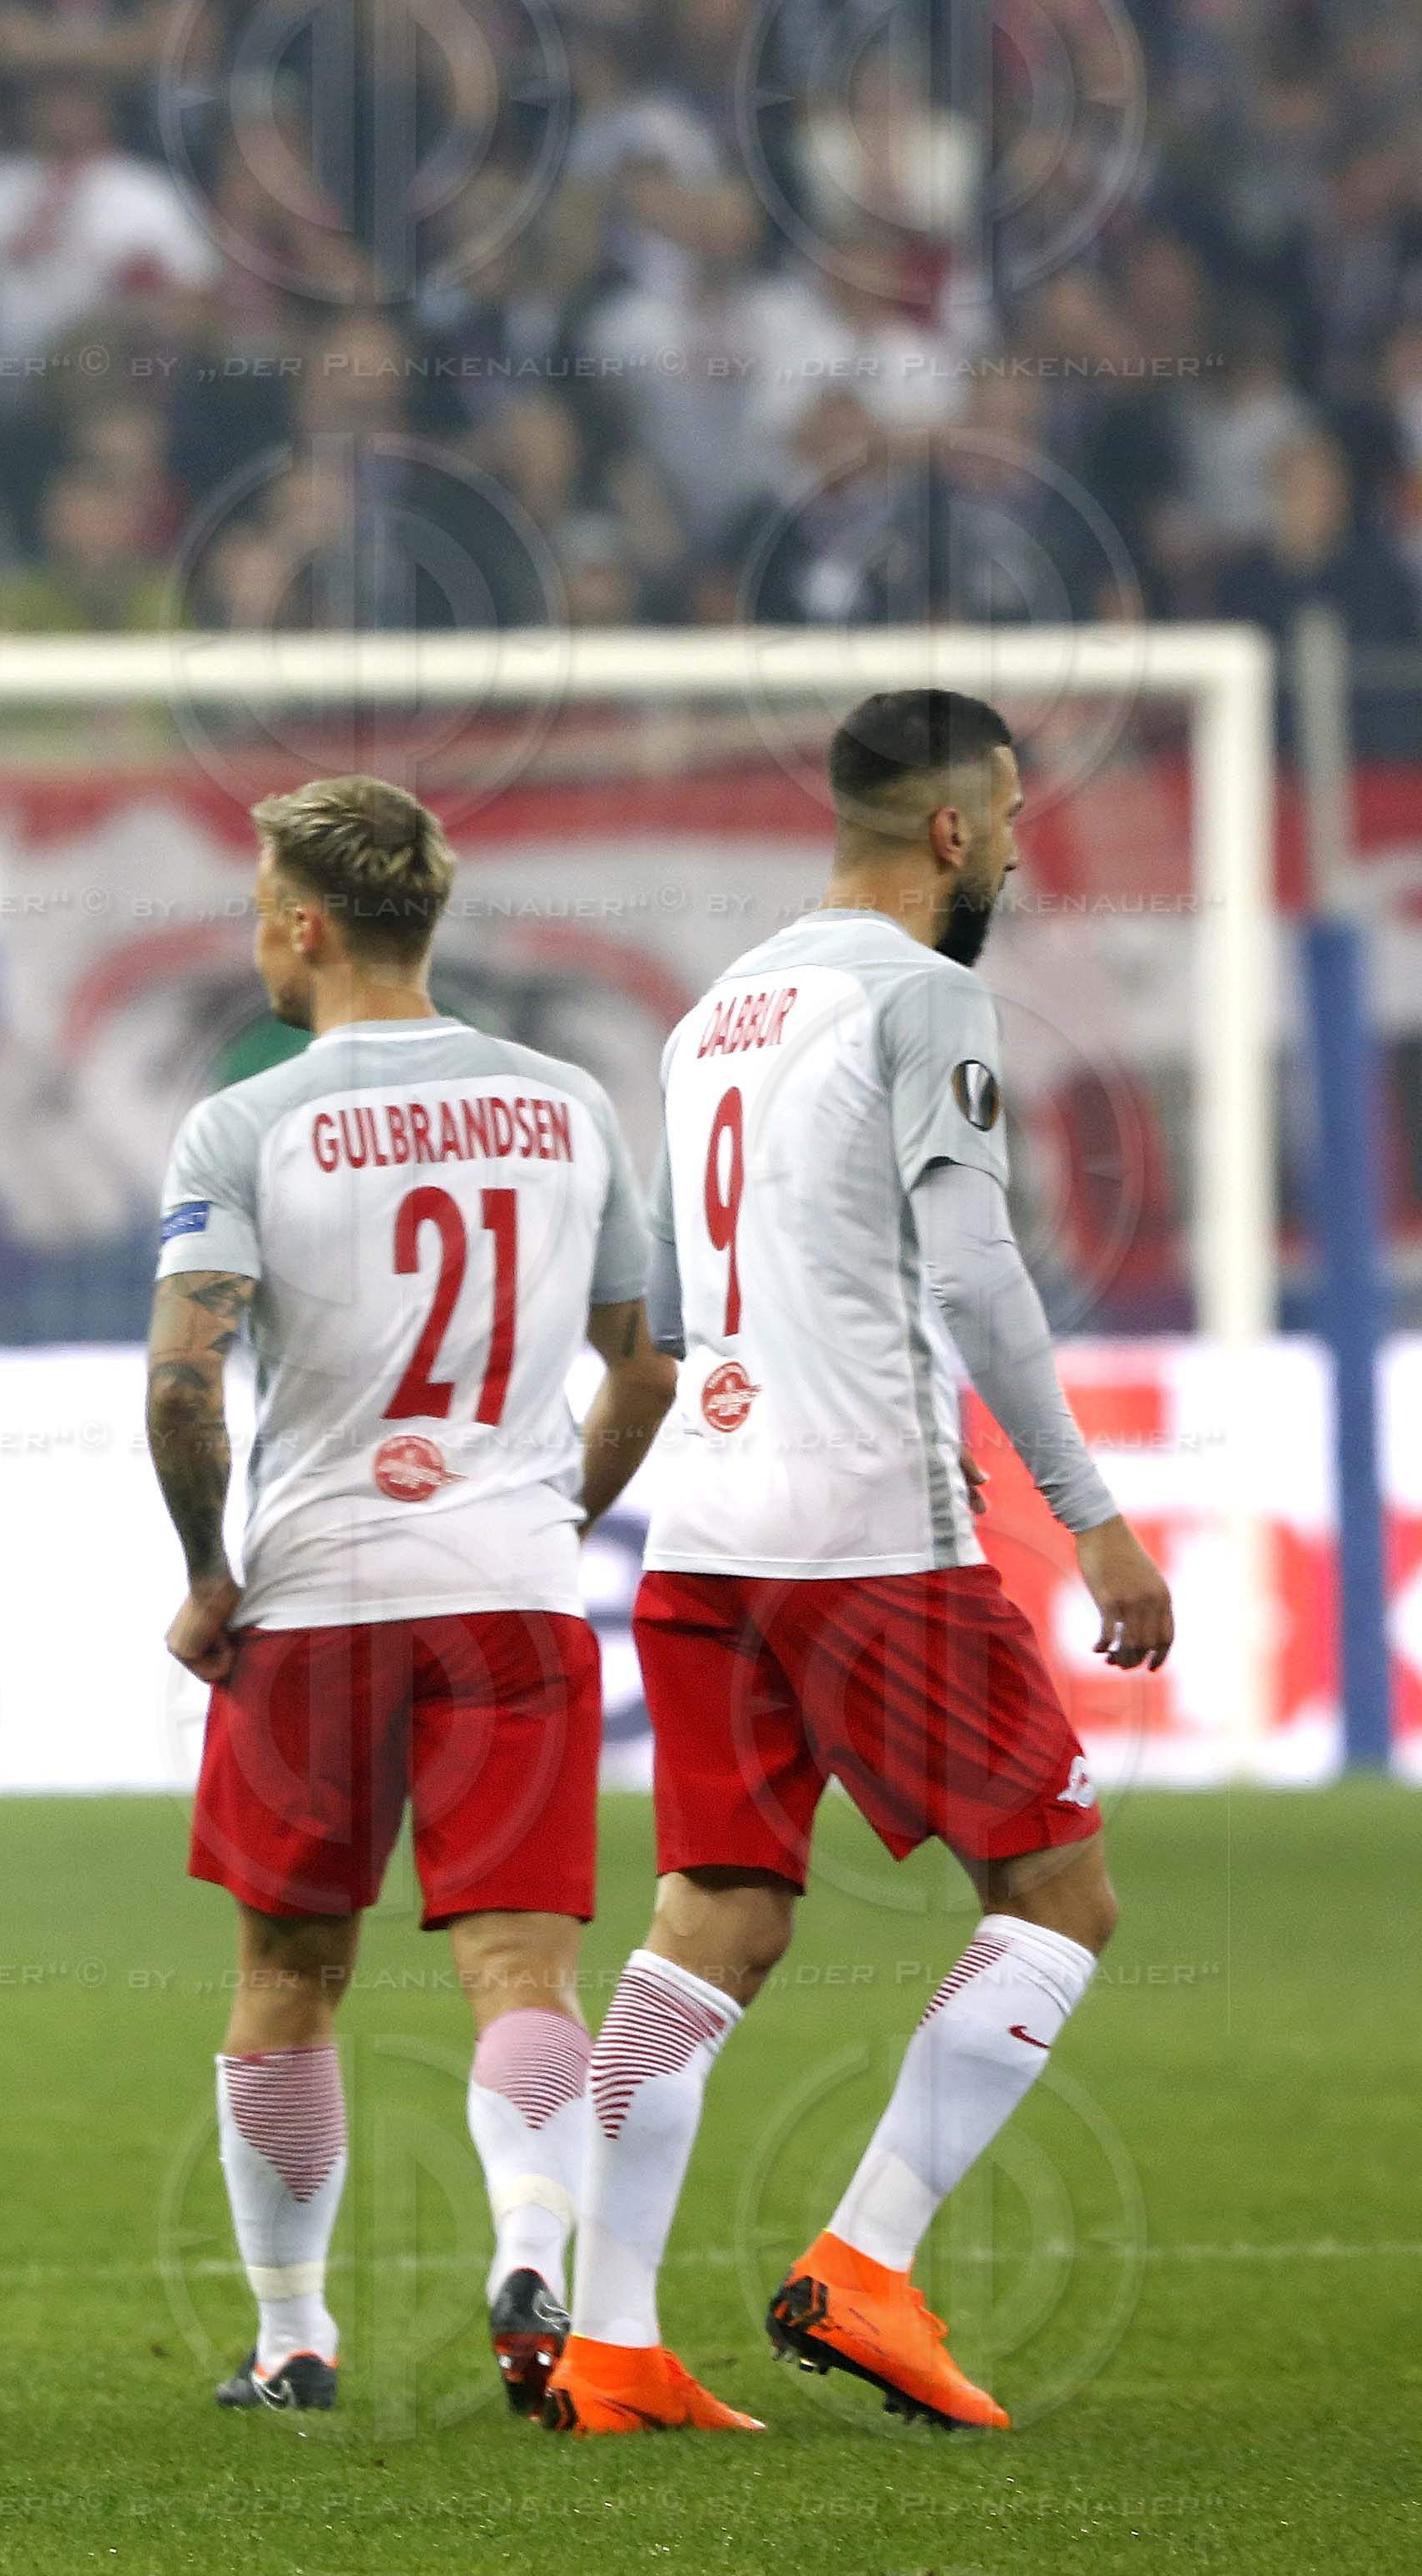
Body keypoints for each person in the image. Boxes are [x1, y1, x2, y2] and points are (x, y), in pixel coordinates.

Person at [547, 691, 1177, 2435]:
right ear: (956, 834)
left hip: (713, 1536)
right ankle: (868, 2266)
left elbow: (658, 1334)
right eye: (1021, 820)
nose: (1031, 849)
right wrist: (1094, 1514)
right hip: (869, 1536)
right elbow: (977, 1271)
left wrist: (567, 1518)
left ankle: (607, 2341)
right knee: (1057, 1894)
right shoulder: (927, 994)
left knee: (713, 1922)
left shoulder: (704, 1024)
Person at [148, 777, 677, 2419]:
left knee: (288, 1983)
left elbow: (183, 1383)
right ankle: (531, 2240)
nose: (254, 926)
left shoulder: (245, 1121)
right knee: (522, 1972)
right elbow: (645, 1370)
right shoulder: (568, 1105)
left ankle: (294, 2340)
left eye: (259, 899)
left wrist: (206, 1574)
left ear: (306, 923)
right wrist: (549, 1519)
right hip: (512, 1601)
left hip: (315, 1602)